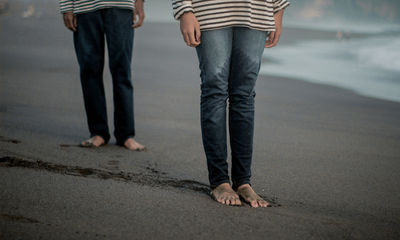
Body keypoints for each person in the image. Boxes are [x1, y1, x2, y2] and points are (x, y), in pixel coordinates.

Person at [172, 0, 290, 207]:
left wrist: (278, 9)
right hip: (210, 9)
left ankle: (243, 181)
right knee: (215, 91)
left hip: (257, 10)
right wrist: (184, 10)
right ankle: (220, 182)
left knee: (244, 95)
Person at [60, 0, 146, 151]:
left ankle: (125, 134)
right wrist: (66, 7)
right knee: (89, 70)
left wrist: (139, 1)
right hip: (85, 7)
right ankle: (98, 132)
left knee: (122, 70)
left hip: (121, 6)